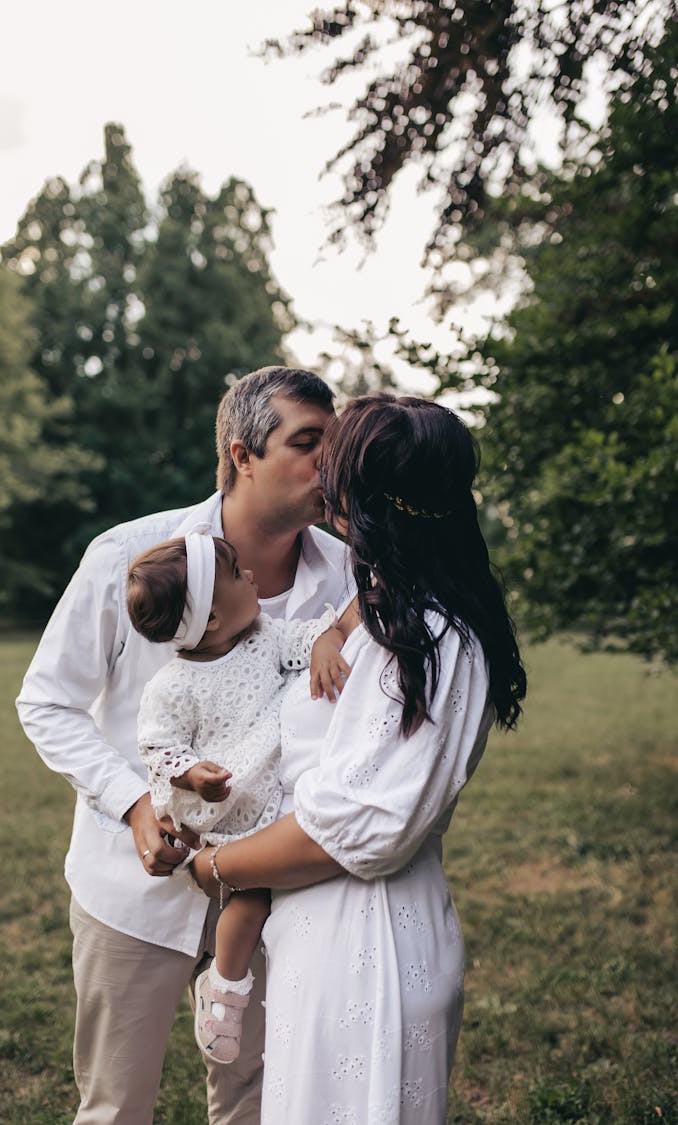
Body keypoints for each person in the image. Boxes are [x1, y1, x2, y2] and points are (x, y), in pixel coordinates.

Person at [15, 366, 352, 1125]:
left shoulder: (350, 583)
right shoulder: (126, 557)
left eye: (334, 445)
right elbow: (47, 700)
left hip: (279, 895)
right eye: (307, 443)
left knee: (258, 1105)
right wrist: (135, 802)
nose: (328, 464)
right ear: (242, 454)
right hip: (129, 895)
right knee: (116, 1106)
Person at [188, 392, 527, 1124]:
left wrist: (214, 867)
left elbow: (353, 832)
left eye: (336, 464)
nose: (323, 478)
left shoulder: (432, 640)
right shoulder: (391, 612)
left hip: (367, 951)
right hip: (321, 942)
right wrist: (333, 629)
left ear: (371, 502)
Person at [126, 531, 351, 1066]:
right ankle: (225, 991)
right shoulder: (173, 685)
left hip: (273, 793)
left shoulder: (264, 638)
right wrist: (191, 775)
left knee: (268, 898)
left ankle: (240, 986)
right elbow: (158, 746)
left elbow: (308, 639)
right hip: (227, 806)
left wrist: (325, 642)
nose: (250, 576)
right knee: (248, 899)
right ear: (208, 619)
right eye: (235, 575)